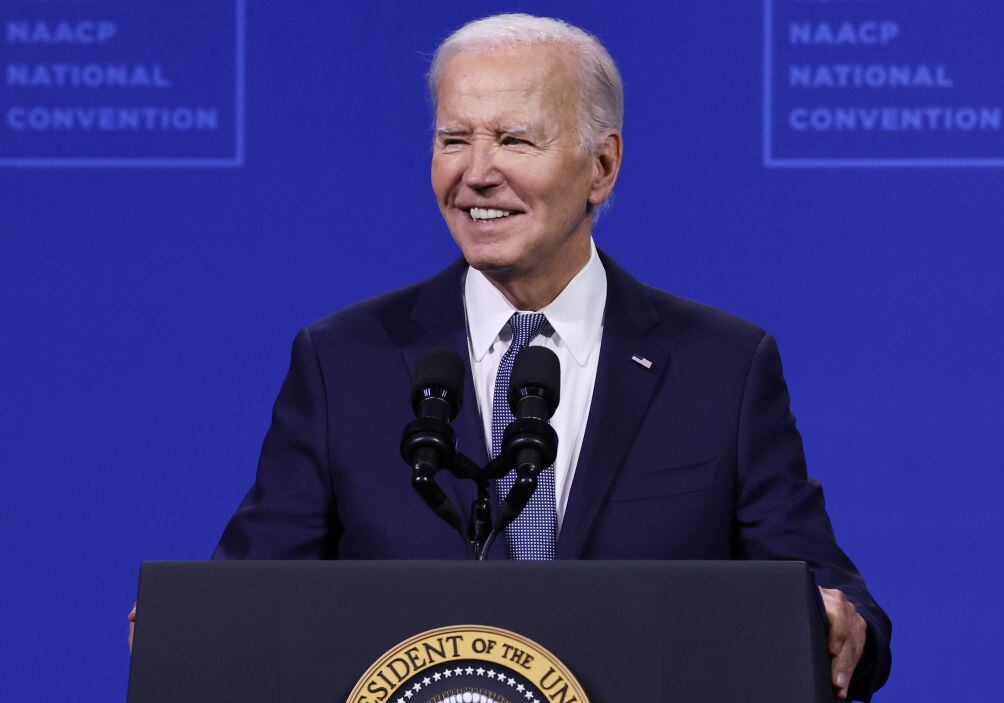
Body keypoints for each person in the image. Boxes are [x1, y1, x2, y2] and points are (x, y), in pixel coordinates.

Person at [133, 14, 890, 700]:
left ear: (602, 166)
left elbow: (820, 583)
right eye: (453, 139)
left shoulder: (722, 366)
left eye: (514, 139)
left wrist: (836, 616)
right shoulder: (343, 361)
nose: (476, 173)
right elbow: (249, 594)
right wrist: (189, 631)